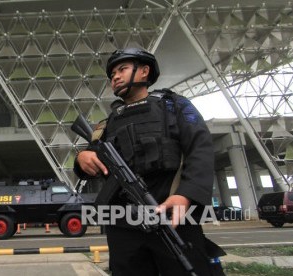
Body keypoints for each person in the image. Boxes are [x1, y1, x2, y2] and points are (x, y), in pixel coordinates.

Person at [74, 48, 225, 275]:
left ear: (144, 71)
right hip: (123, 224)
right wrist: (82, 158)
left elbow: (200, 149)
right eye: (112, 73)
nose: (115, 76)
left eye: (122, 69)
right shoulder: (107, 123)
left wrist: (186, 195)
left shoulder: (174, 106)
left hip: (172, 215)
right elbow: (90, 159)